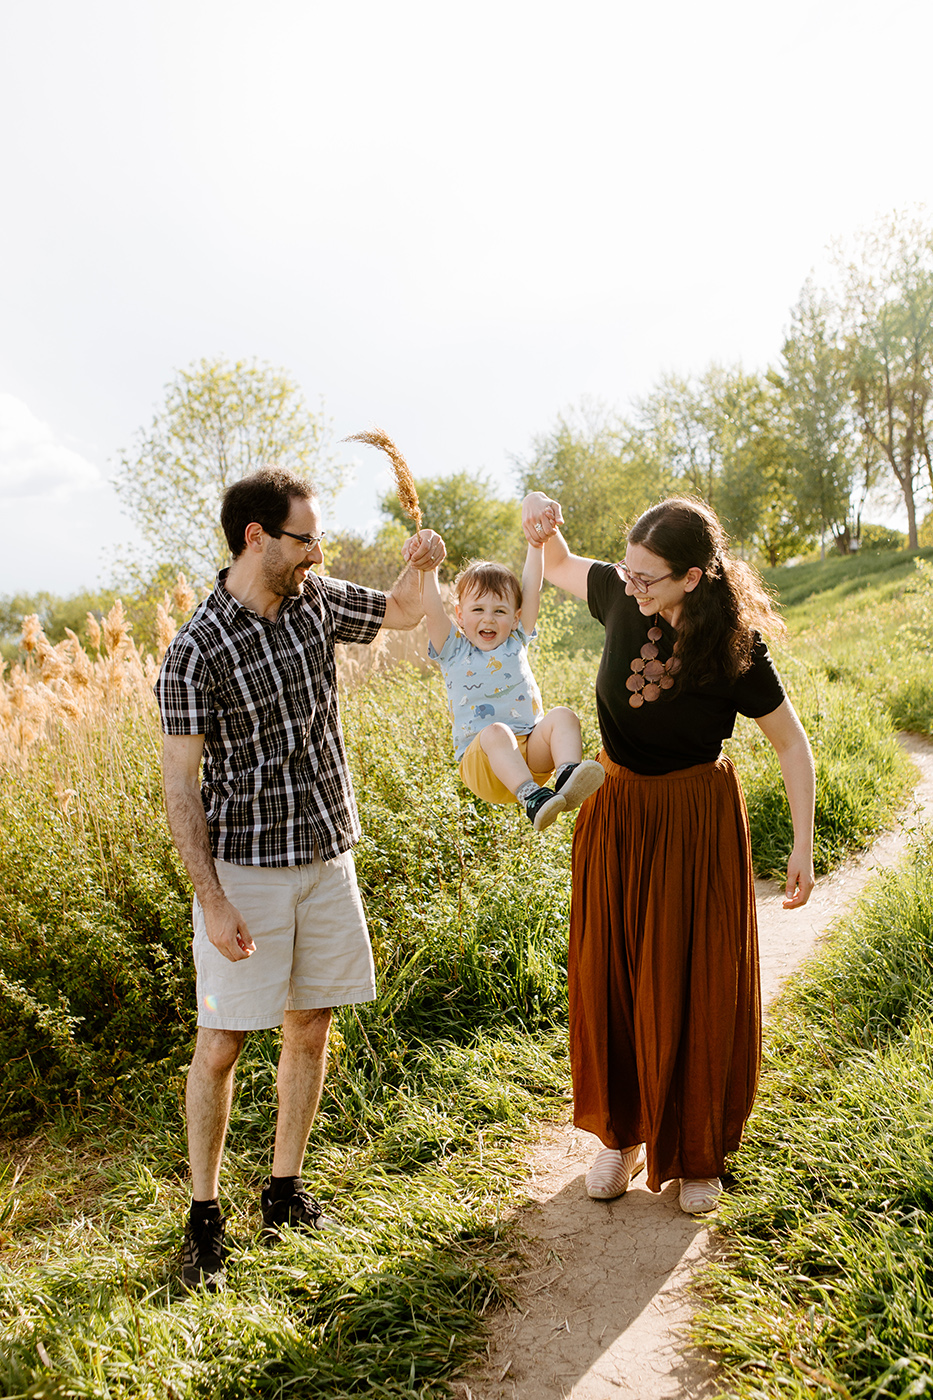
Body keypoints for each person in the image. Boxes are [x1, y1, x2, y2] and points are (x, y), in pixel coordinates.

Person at [155, 465, 446, 1289]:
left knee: (310, 1025)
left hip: (325, 856)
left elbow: (398, 613)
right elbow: (180, 784)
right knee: (220, 1046)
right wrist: (209, 900)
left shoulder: (314, 599)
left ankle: (283, 1193)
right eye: (305, 536)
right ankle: (204, 1218)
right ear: (257, 538)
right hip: (244, 873)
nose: (318, 549)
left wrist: (420, 565)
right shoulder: (196, 649)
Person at [520, 491, 815, 1215]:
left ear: (691, 577)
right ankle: (617, 1138)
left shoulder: (733, 646)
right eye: (625, 571)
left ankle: (695, 1151)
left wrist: (803, 845)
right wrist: (539, 524)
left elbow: (790, 744)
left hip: (694, 818)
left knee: (695, 975)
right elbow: (554, 563)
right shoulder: (619, 597)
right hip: (617, 811)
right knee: (611, 970)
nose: (630, 584)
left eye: (646, 576)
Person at [421, 539, 605, 829]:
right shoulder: (453, 649)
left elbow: (532, 589)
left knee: (563, 716)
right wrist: (427, 570)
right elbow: (432, 610)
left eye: (500, 611)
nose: (489, 619)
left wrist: (536, 544)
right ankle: (532, 799)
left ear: (516, 616)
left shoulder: (516, 639)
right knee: (496, 732)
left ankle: (568, 777)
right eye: (478, 609)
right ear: (459, 615)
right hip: (482, 762)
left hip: (530, 755)